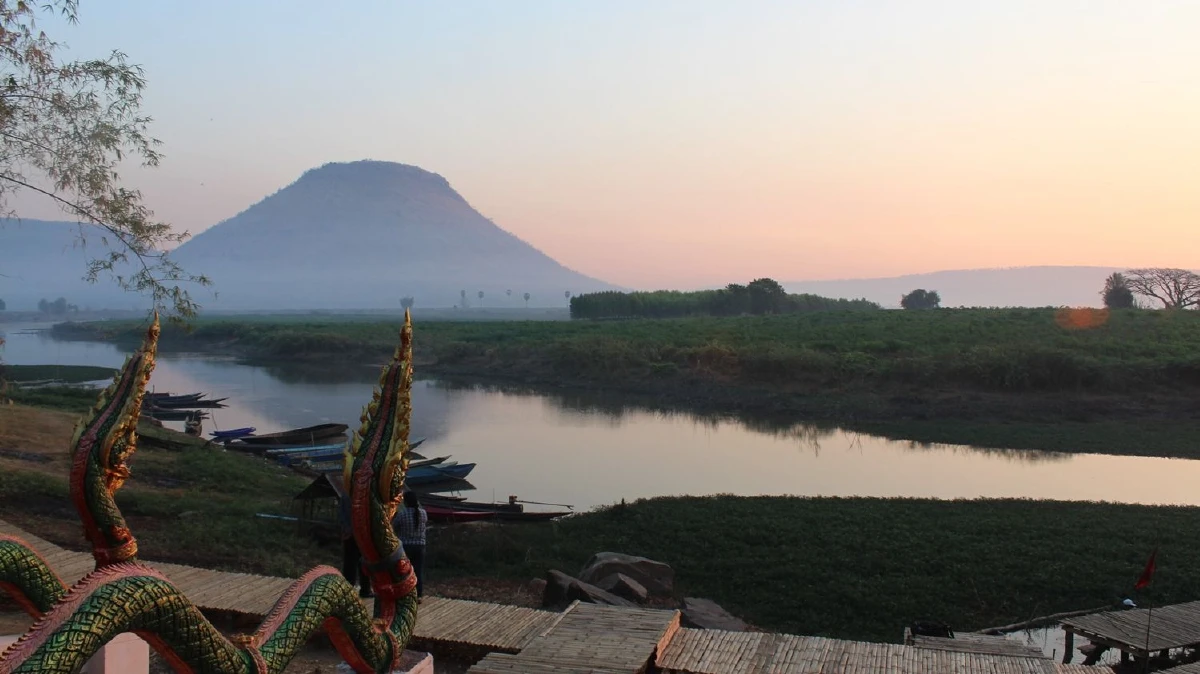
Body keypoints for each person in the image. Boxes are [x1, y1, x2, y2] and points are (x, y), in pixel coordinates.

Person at [393, 491, 427, 600]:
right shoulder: (423, 513)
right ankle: (419, 595)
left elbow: (394, 527)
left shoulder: (402, 514)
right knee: (418, 571)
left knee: (405, 572)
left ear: (405, 501)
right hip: (420, 546)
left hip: (406, 547)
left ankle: (406, 594)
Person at [338, 495, 372, 598]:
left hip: (353, 534)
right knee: (361, 563)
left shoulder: (346, 495)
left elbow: (341, 515)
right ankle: (364, 590)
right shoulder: (365, 494)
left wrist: (346, 528)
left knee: (351, 564)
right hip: (360, 534)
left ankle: (349, 591)